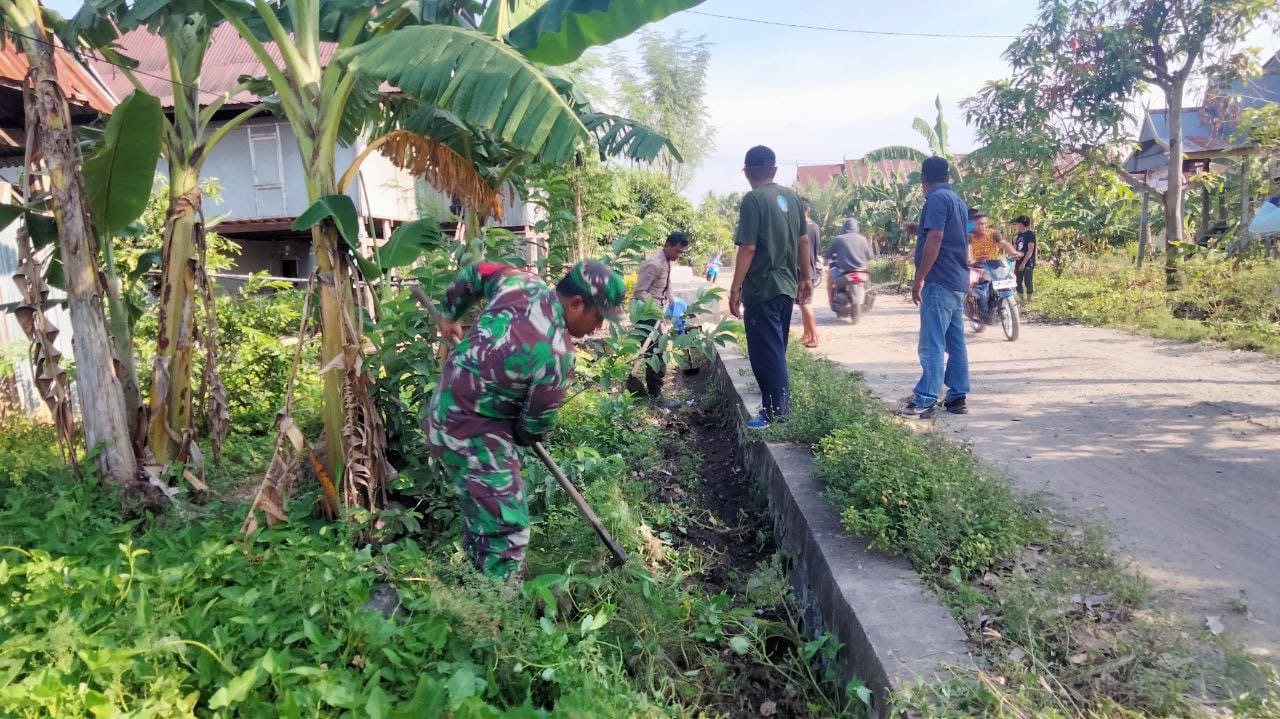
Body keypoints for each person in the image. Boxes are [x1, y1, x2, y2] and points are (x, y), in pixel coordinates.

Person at [427, 260, 627, 579]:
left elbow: (476, 272)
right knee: (508, 530)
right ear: (576, 303)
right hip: (473, 436)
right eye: (598, 317)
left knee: (486, 510)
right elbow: (532, 429)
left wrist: (450, 313)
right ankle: (498, 615)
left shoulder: (519, 282)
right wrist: (515, 424)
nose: (598, 328)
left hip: (443, 411)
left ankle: (473, 575)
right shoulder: (557, 355)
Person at [728, 145, 810, 429]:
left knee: (767, 353)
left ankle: (776, 414)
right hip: (786, 287)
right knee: (777, 349)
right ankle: (777, 408)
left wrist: (735, 288)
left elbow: (748, 248)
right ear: (774, 169)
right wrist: (806, 278)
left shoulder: (753, 200)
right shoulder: (792, 198)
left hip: (762, 288)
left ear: (747, 172)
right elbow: (803, 242)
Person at [900, 156, 971, 419]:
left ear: (923, 179)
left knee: (932, 342)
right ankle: (956, 397)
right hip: (957, 280)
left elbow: (937, 237)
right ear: (948, 176)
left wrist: (919, 279)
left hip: (940, 281)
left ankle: (926, 398)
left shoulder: (936, 199)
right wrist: (918, 229)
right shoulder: (957, 201)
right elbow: (948, 233)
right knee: (955, 341)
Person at [631, 232, 690, 409]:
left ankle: (654, 392)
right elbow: (639, 292)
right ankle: (656, 397)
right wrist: (656, 310)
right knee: (657, 355)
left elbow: (666, 283)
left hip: (658, 313)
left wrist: (672, 301)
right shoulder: (654, 264)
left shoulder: (666, 261)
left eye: (682, 253)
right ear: (667, 245)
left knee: (658, 352)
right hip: (648, 315)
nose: (678, 255)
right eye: (677, 251)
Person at [825, 218, 872, 306]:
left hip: (843, 273)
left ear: (843, 228)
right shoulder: (863, 239)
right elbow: (869, 256)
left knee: (830, 277)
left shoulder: (838, 239)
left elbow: (828, 254)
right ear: (857, 228)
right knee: (869, 286)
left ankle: (831, 301)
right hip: (862, 272)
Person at [799, 199, 821, 347]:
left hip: (802, 271)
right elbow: (816, 248)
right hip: (811, 269)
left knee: (805, 304)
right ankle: (807, 334)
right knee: (802, 303)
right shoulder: (815, 226)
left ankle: (814, 337)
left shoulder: (800, 227)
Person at [1012, 215, 1037, 301]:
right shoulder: (1019, 234)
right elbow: (1015, 247)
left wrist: (1024, 263)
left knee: (1028, 281)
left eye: (1018, 223)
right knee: (1017, 281)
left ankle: (1029, 299)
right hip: (1019, 260)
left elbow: (1030, 251)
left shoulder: (1030, 234)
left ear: (1021, 224)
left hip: (1028, 262)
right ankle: (1021, 300)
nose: (1017, 225)